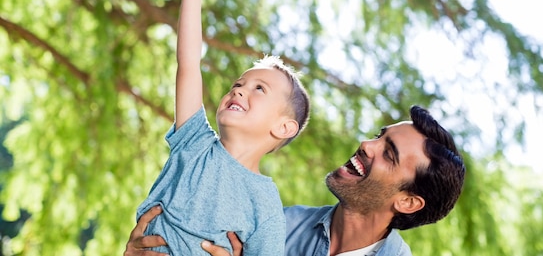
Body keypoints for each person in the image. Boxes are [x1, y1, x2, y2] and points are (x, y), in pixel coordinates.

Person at [132, 0, 311, 256]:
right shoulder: (195, 141)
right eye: (238, 83)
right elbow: (188, 65)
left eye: (259, 89)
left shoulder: (266, 206)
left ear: (284, 127)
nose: (239, 90)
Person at [125, 105, 465, 256]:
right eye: (379, 135)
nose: (366, 144)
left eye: (388, 153)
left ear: (407, 201)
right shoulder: (276, 224)